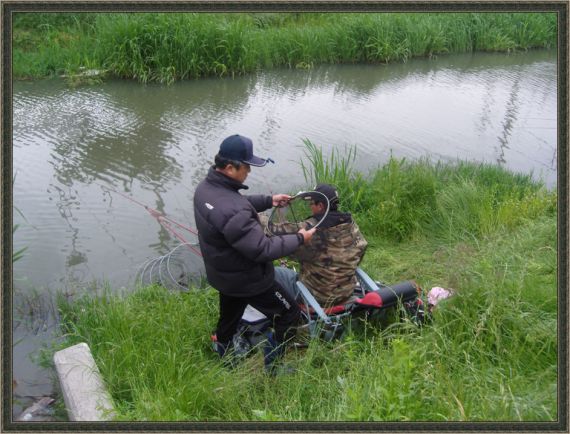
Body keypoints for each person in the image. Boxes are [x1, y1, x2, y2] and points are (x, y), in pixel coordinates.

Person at [193, 134, 315, 374]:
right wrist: (300, 237)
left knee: (230, 314)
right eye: (246, 167)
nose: (249, 171)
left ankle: (223, 350)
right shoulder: (231, 207)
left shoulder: (206, 189)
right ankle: (274, 366)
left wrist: (269, 200)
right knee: (288, 313)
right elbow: (263, 249)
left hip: (224, 275)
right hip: (249, 279)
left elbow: (237, 205)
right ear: (230, 168)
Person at [269, 183, 368, 307]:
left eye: (311, 204)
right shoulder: (351, 225)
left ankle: (282, 312)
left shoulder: (313, 231)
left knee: (273, 272)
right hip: (345, 292)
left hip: (316, 298)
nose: (310, 207)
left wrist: (251, 212)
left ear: (320, 206)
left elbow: (284, 246)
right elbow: (362, 248)